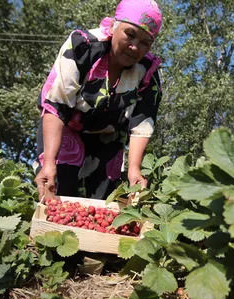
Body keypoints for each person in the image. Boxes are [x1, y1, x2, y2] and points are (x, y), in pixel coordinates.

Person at [34, 0, 163, 201]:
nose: (134, 47)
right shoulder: (82, 47)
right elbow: (56, 104)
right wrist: (49, 162)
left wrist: (134, 169)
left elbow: (142, 123)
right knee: (57, 187)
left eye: (145, 42)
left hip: (109, 134)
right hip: (66, 126)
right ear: (114, 26)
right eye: (130, 34)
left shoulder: (147, 73)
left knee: (106, 197)